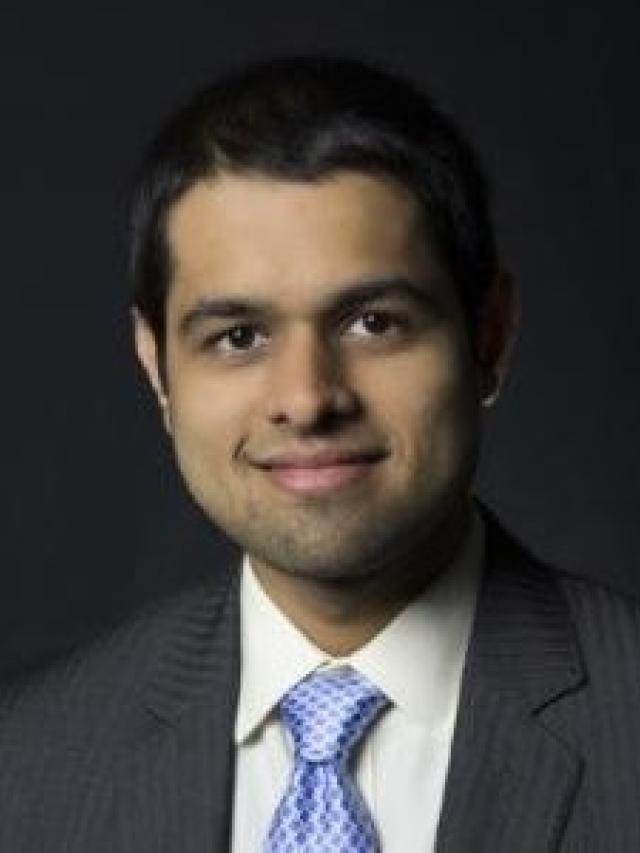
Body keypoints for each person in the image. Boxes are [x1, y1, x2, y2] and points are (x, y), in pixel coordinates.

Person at [1, 55, 639, 853]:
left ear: (490, 336)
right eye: (238, 337)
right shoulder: (28, 769)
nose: (306, 398)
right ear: (155, 365)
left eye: (373, 321)